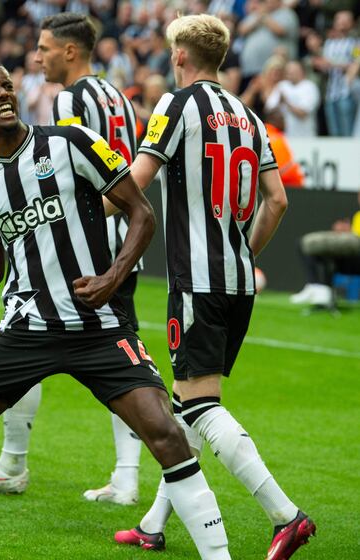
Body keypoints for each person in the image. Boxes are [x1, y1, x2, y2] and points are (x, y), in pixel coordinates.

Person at [0, 60, 231, 560]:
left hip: (97, 324)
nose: (3, 94)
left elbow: (141, 212)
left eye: (7, 85)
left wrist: (112, 278)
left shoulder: (71, 142)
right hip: (24, 328)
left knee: (167, 435)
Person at [111, 15, 316, 559]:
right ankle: (154, 525)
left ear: (179, 55)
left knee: (200, 406)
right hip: (238, 280)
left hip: (197, 280)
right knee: (186, 403)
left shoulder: (176, 106)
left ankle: (285, 514)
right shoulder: (249, 115)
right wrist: (244, 253)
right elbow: (278, 201)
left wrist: (90, 207)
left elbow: (137, 182)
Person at [0, 13, 145, 507]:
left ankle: (14, 462)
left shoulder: (71, 99)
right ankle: (124, 475)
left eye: (44, 49)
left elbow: (60, 175)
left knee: (26, 338)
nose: (36, 59)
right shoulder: (117, 94)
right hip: (122, 244)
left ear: (70, 51)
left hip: (84, 252)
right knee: (126, 364)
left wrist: (53, 222)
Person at [290, 192, 360, 307]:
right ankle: (316, 287)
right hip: (348, 260)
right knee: (307, 246)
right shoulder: (357, 216)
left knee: (309, 243)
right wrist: (344, 232)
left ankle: (317, 288)